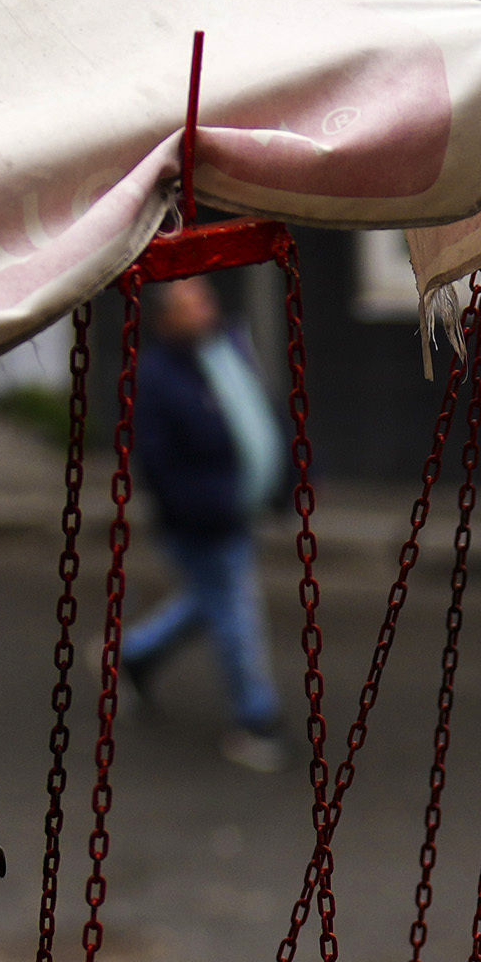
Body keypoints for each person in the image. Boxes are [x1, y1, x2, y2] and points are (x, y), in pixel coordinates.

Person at [120, 274, 289, 769]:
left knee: (211, 601)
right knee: (236, 612)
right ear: (163, 318)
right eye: (189, 302)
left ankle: (135, 656)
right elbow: (159, 463)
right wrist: (205, 507)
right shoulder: (157, 377)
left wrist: (287, 475)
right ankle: (256, 719)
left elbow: (261, 412)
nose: (204, 308)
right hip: (203, 522)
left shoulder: (226, 347)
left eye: (204, 297)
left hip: (237, 508)